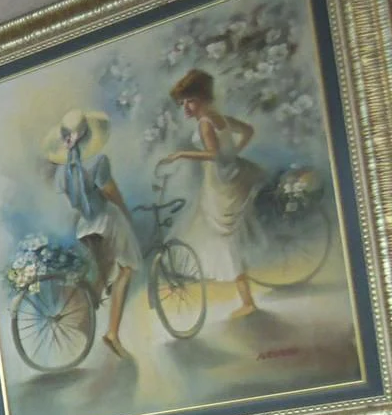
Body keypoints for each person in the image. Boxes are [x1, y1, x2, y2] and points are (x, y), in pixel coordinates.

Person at [159, 68, 265, 320]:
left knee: (224, 235)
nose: (186, 107)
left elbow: (214, 154)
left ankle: (247, 301)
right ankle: (245, 296)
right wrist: (234, 153)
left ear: (204, 99)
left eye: (191, 101)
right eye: (183, 102)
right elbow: (248, 130)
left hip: (220, 184)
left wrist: (182, 154)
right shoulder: (221, 118)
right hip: (231, 177)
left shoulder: (205, 123)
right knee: (228, 234)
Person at [49, 110, 144, 359]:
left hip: (85, 227)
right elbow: (111, 193)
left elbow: (72, 202)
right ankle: (112, 333)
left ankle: (82, 321)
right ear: (88, 135)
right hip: (107, 220)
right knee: (127, 270)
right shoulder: (97, 161)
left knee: (103, 271)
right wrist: (126, 214)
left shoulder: (62, 171)